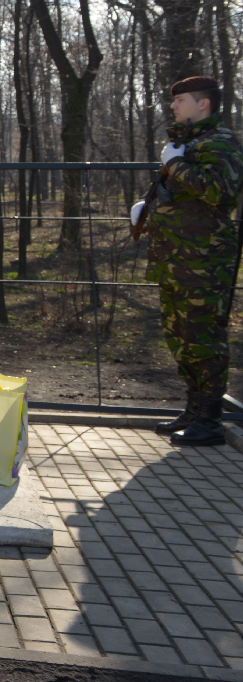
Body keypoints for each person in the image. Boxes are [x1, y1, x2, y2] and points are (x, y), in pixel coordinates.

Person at [134, 75, 243, 446]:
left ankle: (209, 421)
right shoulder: (188, 142)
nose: (174, 106)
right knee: (180, 339)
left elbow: (219, 190)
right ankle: (194, 411)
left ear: (204, 104)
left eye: (181, 100)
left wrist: (177, 164)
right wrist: (149, 205)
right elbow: (183, 195)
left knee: (204, 340)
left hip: (205, 263)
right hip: (176, 261)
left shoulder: (220, 141)